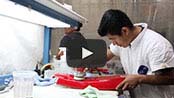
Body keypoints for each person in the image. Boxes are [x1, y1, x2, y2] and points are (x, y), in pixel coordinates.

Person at [98, 9, 174, 98]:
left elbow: (170, 78)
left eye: (113, 39)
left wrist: (140, 78)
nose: (113, 43)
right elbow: (107, 54)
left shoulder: (156, 44)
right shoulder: (125, 38)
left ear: (125, 31)